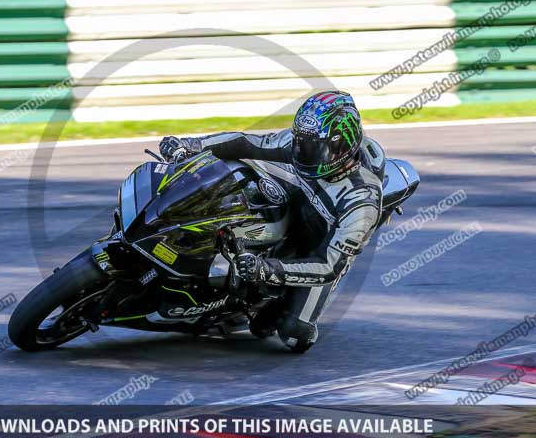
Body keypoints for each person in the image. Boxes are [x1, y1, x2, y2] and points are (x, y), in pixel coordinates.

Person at [159, 90, 384, 353]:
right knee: (233, 180)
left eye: (314, 148)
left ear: (342, 148)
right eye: (300, 143)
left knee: (294, 334)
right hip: (294, 198)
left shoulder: (361, 201)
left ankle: (270, 301)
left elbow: (328, 265)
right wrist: (191, 146)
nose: (302, 152)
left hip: (320, 246)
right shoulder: (301, 144)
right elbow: (247, 143)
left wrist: (267, 269)